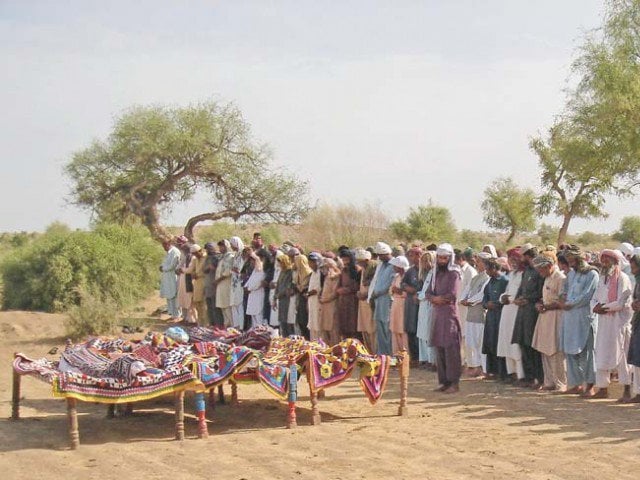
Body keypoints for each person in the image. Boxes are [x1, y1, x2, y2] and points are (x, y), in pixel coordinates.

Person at [590, 249, 633, 400]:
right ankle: (602, 388)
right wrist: (595, 307)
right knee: (601, 352)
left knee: (622, 354)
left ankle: (627, 389)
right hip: (603, 322)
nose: (605, 262)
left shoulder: (623, 278)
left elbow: (622, 301)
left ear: (616, 262)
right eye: (604, 259)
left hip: (618, 323)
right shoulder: (602, 278)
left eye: (608, 260)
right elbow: (594, 298)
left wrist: (604, 308)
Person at [559, 246, 598, 396]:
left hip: (584, 317)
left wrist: (570, 304)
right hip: (569, 317)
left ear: (579, 259)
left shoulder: (592, 274)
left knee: (587, 352)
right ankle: (575, 384)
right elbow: (565, 290)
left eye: (572, 260)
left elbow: (587, 295)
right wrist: (562, 300)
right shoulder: (571, 274)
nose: (570, 263)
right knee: (570, 351)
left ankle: (589, 386)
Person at [426, 243, 462, 394]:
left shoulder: (454, 273)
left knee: (451, 348)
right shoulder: (435, 273)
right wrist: (434, 298)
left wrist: (439, 299)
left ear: (450, 258)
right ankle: (444, 382)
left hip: (449, 314)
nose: (441, 260)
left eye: (444, 258)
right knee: (439, 348)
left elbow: (452, 294)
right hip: (437, 313)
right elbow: (428, 292)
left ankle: (454, 382)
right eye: (439, 258)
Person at [531, 253, 567, 391]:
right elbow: (545, 297)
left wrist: (546, 306)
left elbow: (562, 301)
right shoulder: (547, 278)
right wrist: (540, 304)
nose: (540, 273)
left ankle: (561, 383)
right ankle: (549, 382)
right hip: (545, 317)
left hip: (556, 317)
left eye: (542, 269)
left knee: (556, 351)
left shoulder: (560, 278)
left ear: (549, 266)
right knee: (544, 350)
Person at [512, 244, 545, 388]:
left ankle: (539, 378)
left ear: (527, 255)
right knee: (523, 343)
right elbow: (521, 290)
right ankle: (528, 377)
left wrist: (529, 299)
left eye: (522, 256)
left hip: (532, 312)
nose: (520, 259)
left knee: (532, 345)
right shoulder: (526, 272)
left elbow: (541, 292)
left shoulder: (539, 271)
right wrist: (518, 298)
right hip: (522, 312)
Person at [497, 248, 525, 382]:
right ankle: (511, 372)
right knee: (506, 342)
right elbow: (506, 292)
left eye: (515, 259)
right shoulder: (512, 274)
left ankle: (521, 375)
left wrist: (512, 299)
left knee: (515, 344)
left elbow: (521, 295)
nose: (513, 262)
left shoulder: (524, 274)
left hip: (517, 312)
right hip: (507, 311)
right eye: (511, 260)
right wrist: (502, 297)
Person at [460, 252, 490, 377]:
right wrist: (463, 299)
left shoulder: (487, 278)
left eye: (479, 262)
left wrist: (469, 301)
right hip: (470, 314)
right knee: (470, 342)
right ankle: (475, 366)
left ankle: (483, 368)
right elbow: (466, 291)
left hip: (480, 314)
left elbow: (481, 295)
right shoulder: (475, 278)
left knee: (480, 342)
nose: (476, 264)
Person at [482, 257, 509, 380]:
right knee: (490, 342)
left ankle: (502, 372)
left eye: (487, 269)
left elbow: (507, 298)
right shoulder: (489, 282)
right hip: (490, 317)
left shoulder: (504, 281)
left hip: (501, 316)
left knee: (499, 343)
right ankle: (491, 371)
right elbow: (484, 299)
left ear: (494, 268)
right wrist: (487, 304)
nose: (486, 271)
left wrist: (497, 304)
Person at [368, 242, 396, 355]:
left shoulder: (394, 265)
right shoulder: (381, 265)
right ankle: (381, 354)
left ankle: (389, 354)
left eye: (380, 255)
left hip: (387, 300)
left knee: (387, 328)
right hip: (378, 301)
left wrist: (378, 292)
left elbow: (389, 285)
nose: (379, 257)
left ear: (386, 254)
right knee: (380, 327)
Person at [455, 248, 477, 362]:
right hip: (458, 307)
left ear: (461, 259)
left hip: (467, 307)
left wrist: (463, 299)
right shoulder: (458, 270)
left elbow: (471, 289)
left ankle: (469, 361)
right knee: (460, 334)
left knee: (467, 335)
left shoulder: (470, 271)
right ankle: (462, 360)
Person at [417, 251, 437, 369]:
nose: (425, 263)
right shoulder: (427, 273)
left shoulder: (435, 273)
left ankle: (432, 360)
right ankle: (424, 358)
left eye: (427, 261)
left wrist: (421, 296)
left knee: (429, 333)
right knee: (422, 333)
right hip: (423, 305)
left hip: (430, 305)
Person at [403, 247, 422, 364]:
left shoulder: (426, 271)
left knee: (419, 331)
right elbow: (403, 283)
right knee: (410, 329)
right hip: (410, 304)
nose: (411, 258)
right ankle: (414, 358)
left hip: (421, 304)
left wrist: (417, 291)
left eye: (414, 255)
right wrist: (407, 288)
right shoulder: (410, 271)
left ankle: (421, 358)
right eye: (410, 255)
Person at [624, 254, 640, 403]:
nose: (632, 270)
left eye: (634, 266)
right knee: (637, 359)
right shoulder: (637, 281)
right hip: (637, 322)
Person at [356, 248, 377, 353]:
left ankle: (375, 352)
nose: (359, 264)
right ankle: (369, 352)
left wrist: (366, 294)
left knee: (372, 328)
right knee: (365, 328)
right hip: (363, 302)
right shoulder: (364, 270)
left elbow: (374, 286)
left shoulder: (373, 267)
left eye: (361, 261)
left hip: (370, 302)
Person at [336, 250, 360, 339]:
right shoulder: (343, 270)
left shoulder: (357, 269)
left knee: (353, 326)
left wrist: (347, 290)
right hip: (343, 301)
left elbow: (358, 285)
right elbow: (339, 284)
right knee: (343, 326)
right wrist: (339, 290)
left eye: (346, 259)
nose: (345, 262)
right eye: (343, 259)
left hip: (353, 301)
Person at [389, 255, 410, 353]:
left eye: (395, 266)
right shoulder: (396, 277)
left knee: (403, 329)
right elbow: (391, 289)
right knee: (395, 329)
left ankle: (405, 353)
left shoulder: (408, 276)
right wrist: (396, 291)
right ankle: (396, 353)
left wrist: (400, 291)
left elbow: (406, 292)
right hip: (396, 304)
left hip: (404, 304)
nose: (393, 268)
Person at [183, 244, 207, 325]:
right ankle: (200, 324)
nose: (195, 255)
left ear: (200, 251)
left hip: (204, 283)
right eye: (194, 254)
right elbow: (190, 269)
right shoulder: (195, 259)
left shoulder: (206, 258)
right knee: (197, 304)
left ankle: (206, 324)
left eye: (196, 253)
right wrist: (184, 271)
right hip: (197, 284)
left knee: (204, 306)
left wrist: (199, 275)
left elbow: (208, 272)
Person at [159, 237, 181, 322]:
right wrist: (162, 267)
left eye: (164, 245)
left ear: (168, 244)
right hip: (167, 277)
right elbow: (165, 263)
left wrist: (163, 268)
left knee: (174, 295)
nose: (163, 248)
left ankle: (177, 315)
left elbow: (172, 265)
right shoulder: (169, 252)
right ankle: (172, 314)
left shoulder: (175, 252)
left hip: (172, 276)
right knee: (169, 295)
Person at [320, 258, 340, 345]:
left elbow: (335, 293)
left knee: (333, 331)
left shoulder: (335, 276)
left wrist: (324, 299)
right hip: (325, 307)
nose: (323, 270)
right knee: (325, 331)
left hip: (332, 306)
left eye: (324, 267)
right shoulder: (327, 277)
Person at [203, 242, 224, 327]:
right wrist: (208, 267)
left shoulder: (217, 257)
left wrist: (211, 268)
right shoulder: (207, 258)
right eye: (207, 248)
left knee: (216, 307)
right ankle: (212, 323)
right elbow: (204, 270)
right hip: (208, 284)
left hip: (214, 284)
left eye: (209, 248)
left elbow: (219, 270)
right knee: (209, 306)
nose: (207, 250)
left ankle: (218, 324)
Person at [214, 239, 234, 327]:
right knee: (222, 305)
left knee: (227, 305)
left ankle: (231, 324)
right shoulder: (222, 257)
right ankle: (226, 324)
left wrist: (218, 279)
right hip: (220, 284)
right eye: (220, 246)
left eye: (222, 246)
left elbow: (228, 271)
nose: (220, 248)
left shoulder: (230, 257)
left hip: (226, 283)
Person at [293, 252, 313, 339]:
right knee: (300, 321)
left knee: (306, 322)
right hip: (300, 300)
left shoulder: (310, 274)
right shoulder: (298, 274)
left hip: (307, 300)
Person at [244, 250, 266, 328]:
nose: (252, 263)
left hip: (258, 294)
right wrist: (246, 287)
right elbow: (249, 281)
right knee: (253, 316)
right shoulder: (254, 271)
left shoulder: (262, 269)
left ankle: (260, 332)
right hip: (252, 295)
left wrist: (249, 288)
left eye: (253, 261)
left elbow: (258, 283)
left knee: (258, 315)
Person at [274, 254, 294, 337]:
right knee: (282, 321)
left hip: (287, 299)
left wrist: (279, 295)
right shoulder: (282, 272)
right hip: (281, 300)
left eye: (281, 262)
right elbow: (278, 285)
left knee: (288, 320)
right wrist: (274, 298)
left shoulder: (290, 272)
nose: (280, 264)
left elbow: (288, 287)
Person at [229, 236, 246, 330]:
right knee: (234, 304)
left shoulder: (243, 254)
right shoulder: (236, 255)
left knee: (239, 304)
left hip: (240, 282)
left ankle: (241, 326)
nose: (231, 247)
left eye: (232, 245)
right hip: (234, 282)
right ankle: (236, 326)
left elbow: (243, 269)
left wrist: (237, 270)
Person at [306, 252, 323, 341]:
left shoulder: (321, 273)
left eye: (314, 262)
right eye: (310, 262)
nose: (312, 264)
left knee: (318, 324)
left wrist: (309, 293)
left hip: (318, 302)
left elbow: (319, 288)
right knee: (312, 325)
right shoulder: (312, 273)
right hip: (311, 302)